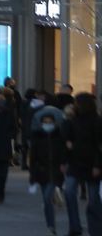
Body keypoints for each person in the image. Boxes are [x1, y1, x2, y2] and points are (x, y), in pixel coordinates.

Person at [61, 93, 102, 236]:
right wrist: (64, 160)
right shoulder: (72, 121)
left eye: (77, 103)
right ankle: (75, 226)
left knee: (94, 199)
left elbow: (99, 145)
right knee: (69, 192)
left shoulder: (97, 121)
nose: (74, 105)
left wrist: (98, 165)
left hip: (92, 163)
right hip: (75, 162)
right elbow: (66, 139)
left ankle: (95, 228)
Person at [29, 110, 67, 235]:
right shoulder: (37, 138)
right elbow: (33, 159)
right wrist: (32, 178)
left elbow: (64, 153)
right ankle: (50, 223)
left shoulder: (59, 137)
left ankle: (51, 225)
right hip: (42, 172)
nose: (47, 124)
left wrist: (63, 163)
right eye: (45, 122)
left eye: (50, 122)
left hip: (56, 172)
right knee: (46, 200)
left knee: (46, 197)